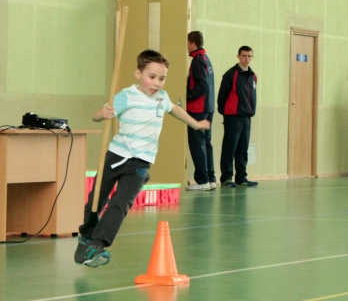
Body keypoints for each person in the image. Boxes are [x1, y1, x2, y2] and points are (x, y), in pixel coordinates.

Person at [74, 49, 210, 267]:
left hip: (140, 163)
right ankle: (85, 238)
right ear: (138, 74)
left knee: (120, 204)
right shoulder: (126, 96)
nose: (156, 83)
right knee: (95, 202)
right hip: (116, 157)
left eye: (162, 78)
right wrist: (103, 113)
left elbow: (174, 109)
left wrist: (195, 124)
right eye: (152, 77)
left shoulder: (161, 98)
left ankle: (96, 245)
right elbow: (96, 116)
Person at [217, 45, 258, 187]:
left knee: (243, 148)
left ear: (252, 57)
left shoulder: (253, 76)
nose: (247, 59)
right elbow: (222, 97)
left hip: (246, 117)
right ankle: (226, 178)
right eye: (244, 56)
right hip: (233, 117)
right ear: (238, 56)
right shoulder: (231, 74)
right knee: (230, 148)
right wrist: (226, 114)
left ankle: (241, 177)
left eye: (249, 56)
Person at [185, 31, 216, 191]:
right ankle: (210, 179)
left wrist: (188, 96)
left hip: (198, 108)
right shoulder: (206, 59)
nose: (186, 46)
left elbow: (202, 84)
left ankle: (202, 180)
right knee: (206, 143)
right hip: (209, 107)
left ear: (192, 43)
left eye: (187, 42)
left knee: (197, 143)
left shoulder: (198, 60)